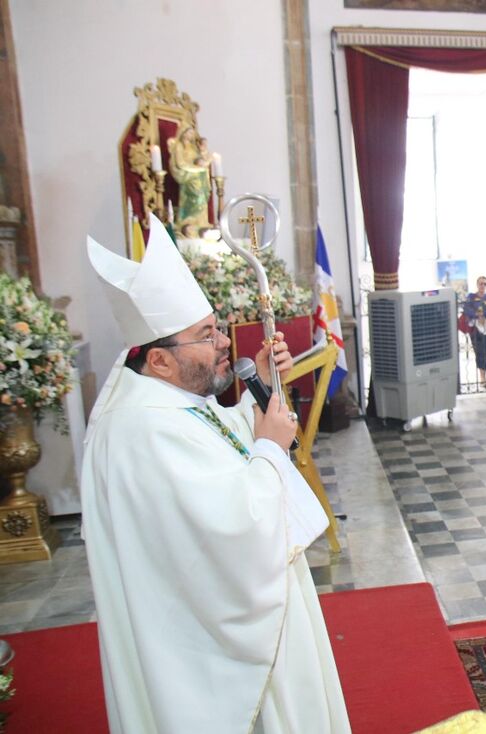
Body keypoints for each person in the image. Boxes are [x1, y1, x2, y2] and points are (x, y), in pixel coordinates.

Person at [83, 218, 350, 732]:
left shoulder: (160, 400)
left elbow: (213, 438)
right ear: (159, 359)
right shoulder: (140, 431)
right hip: (208, 649)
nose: (224, 340)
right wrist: (270, 447)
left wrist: (260, 394)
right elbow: (232, 527)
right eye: (206, 336)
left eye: (217, 326)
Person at [463, 275, 486, 387]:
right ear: (477, 284)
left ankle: (484, 375)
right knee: (479, 352)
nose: (482, 285)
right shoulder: (471, 297)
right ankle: (482, 377)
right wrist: (477, 315)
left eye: (485, 284)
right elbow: (466, 310)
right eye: (481, 283)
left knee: (485, 352)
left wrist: (484, 314)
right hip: (475, 329)